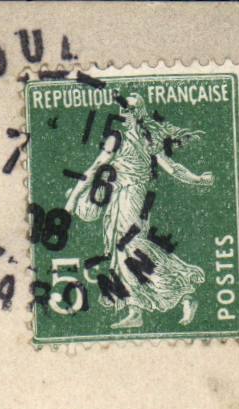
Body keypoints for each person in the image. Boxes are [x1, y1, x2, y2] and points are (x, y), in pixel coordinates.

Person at [63, 91, 212, 329]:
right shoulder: (116, 137)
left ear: (139, 112)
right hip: (118, 197)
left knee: (132, 247)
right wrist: (71, 202)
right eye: (123, 109)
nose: (125, 113)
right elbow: (95, 168)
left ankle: (183, 293)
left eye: (130, 109)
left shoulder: (148, 137)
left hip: (134, 197)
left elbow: (171, 167)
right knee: (118, 250)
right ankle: (135, 310)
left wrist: (197, 179)